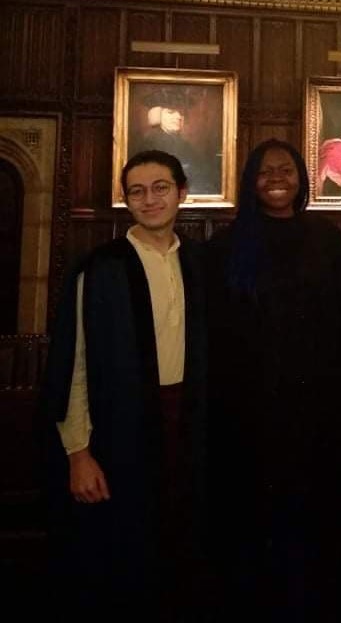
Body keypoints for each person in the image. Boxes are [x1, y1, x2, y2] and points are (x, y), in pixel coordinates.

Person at [42, 150, 208, 621]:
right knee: (125, 560)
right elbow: (72, 363)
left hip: (188, 426)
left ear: (181, 193)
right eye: (137, 190)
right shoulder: (99, 268)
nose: (149, 199)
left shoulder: (200, 264)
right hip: (121, 435)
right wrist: (78, 452)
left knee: (183, 552)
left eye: (160, 187)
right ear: (125, 200)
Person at [205, 138, 341, 621]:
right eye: (265, 171)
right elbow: (213, 328)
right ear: (251, 180)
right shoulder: (226, 245)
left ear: (301, 178)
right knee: (251, 517)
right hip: (248, 408)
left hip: (318, 406)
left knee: (311, 514)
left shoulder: (327, 236)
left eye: (286, 169)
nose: (276, 177)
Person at [138, 87, 221, 195]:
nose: (178, 117)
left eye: (181, 113)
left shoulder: (184, 145)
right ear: (157, 117)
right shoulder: (150, 143)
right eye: (171, 112)